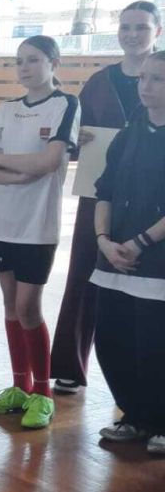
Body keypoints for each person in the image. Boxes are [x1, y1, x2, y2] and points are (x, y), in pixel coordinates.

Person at [50, 0, 161, 395]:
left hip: (154, 202)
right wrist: (77, 139)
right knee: (86, 268)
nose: (132, 34)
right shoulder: (99, 82)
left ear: (157, 31)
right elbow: (72, 137)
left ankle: (145, 385)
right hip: (101, 194)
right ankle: (70, 362)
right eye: (125, 26)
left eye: (141, 27)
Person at [0, 35, 79, 432]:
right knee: (10, 306)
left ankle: (43, 393)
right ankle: (19, 388)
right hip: (1, 223)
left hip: (37, 226)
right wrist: (17, 172)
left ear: (53, 63)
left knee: (28, 306)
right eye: (19, 61)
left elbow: (49, 161)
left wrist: (1, 161)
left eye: (33, 60)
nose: (24, 68)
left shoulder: (65, 104)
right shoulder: (7, 109)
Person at [91, 49, 165, 455]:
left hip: (154, 260)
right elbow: (105, 190)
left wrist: (140, 243)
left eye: (158, 79)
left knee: (154, 345)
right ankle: (134, 415)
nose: (146, 86)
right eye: (143, 78)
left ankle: (160, 422)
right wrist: (104, 239)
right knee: (112, 340)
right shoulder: (129, 132)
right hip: (114, 255)